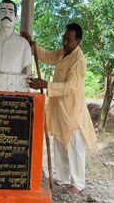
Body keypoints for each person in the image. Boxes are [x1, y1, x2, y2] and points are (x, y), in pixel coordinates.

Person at [21, 23, 97, 193]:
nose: (64, 42)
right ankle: (63, 179)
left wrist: (45, 84)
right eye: (64, 38)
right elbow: (47, 56)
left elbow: (70, 87)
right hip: (59, 111)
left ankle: (77, 183)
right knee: (60, 145)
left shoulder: (79, 60)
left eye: (68, 40)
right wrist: (33, 45)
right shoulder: (64, 52)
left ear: (77, 41)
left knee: (74, 147)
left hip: (73, 112)